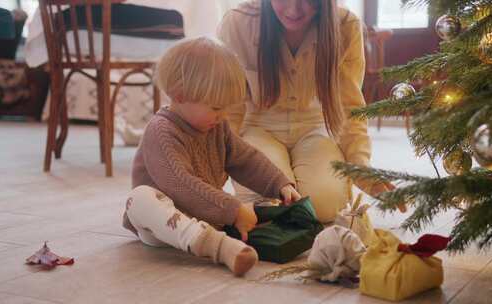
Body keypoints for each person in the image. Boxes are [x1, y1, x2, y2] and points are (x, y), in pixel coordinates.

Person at [121, 38, 301, 276]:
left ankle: (219, 238)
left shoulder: (217, 128)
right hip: (162, 228)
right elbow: (180, 184)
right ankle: (215, 246)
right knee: (139, 198)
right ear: (180, 95)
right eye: (216, 108)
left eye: (226, 107)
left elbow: (246, 159)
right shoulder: (162, 131)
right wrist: (234, 210)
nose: (223, 115)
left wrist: (279, 184)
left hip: (206, 218)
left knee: (261, 209)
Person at [218, 0, 402, 223]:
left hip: (315, 126)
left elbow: (348, 105)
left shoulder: (346, 25)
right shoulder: (237, 23)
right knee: (269, 202)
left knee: (324, 208)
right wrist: (220, 159)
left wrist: (360, 167)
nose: (294, 10)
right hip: (258, 127)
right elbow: (230, 107)